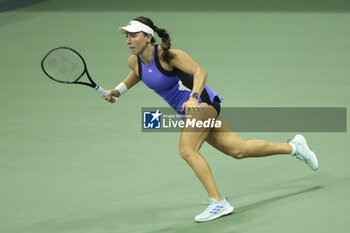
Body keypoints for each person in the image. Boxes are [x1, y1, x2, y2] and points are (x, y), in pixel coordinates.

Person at [103, 16, 319, 222]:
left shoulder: (169, 55)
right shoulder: (134, 62)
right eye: (127, 36)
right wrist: (119, 91)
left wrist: (194, 98)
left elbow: (200, 72)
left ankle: (218, 202)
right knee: (239, 150)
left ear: (148, 36)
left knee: (187, 151)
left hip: (202, 104)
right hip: (187, 110)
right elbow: (141, 74)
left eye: (134, 35)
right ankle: (294, 147)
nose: (129, 40)